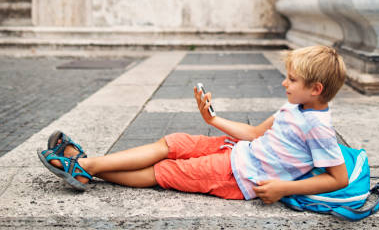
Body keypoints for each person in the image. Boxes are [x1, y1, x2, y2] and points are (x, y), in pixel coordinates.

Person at [37, 45, 348, 204]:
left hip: (238, 176)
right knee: (173, 143)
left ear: (316, 89)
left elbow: (338, 179)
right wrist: (212, 119)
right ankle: (85, 166)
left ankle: (84, 166)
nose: (284, 83)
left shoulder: (318, 128)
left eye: (292, 80)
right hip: (238, 150)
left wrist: (284, 189)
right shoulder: (294, 105)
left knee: (165, 172)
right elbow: (255, 134)